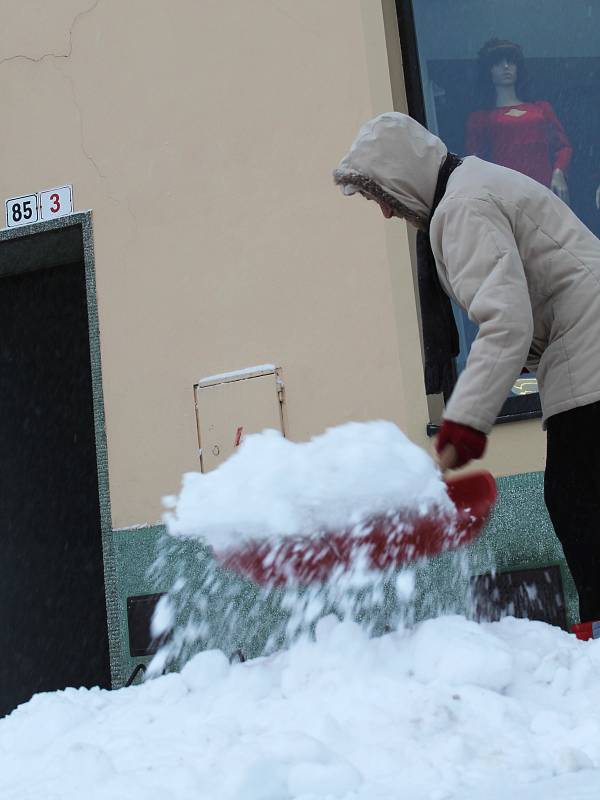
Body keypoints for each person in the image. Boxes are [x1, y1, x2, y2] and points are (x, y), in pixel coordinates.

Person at [333, 111, 600, 625]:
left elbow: (506, 322)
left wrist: (463, 425)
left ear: (401, 174)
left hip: (586, 342)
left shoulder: (461, 207)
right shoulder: (468, 187)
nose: (386, 213)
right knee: (580, 496)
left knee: (578, 498)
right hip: (579, 343)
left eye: (381, 195)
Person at [466, 38, 571, 203]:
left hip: (545, 193)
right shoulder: (481, 118)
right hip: (507, 197)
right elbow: (476, 161)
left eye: (511, 62)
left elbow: (563, 147)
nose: (506, 67)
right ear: (488, 71)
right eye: (497, 63)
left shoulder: (542, 109)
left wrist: (559, 172)